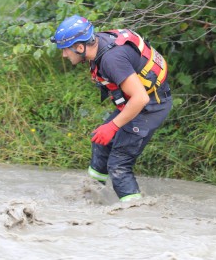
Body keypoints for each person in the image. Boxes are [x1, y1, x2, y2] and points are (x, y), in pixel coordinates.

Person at [50, 15, 173, 201]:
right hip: (138, 102)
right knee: (101, 142)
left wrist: (113, 126)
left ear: (80, 47)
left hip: (151, 106)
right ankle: (90, 197)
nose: (64, 55)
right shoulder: (98, 44)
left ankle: (137, 216)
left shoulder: (111, 60)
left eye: (66, 49)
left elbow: (139, 99)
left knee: (118, 166)